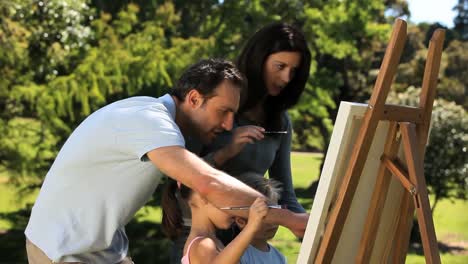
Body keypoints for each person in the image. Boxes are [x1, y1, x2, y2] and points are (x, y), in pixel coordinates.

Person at [24, 58, 308, 263]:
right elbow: (207, 183)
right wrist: (289, 219)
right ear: (194, 99)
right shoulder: (150, 121)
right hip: (63, 249)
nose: (229, 124)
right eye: (223, 111)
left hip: (102, 250)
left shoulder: (157, 122)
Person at [169, 23, 311, 263]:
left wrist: (313, 228)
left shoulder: (281, 121)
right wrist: (227, 150)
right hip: (201, 234)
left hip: (250, 233)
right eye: (280, 66)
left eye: (294, 71)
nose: (287, 78)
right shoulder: (215, 106)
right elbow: (182, 178)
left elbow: (285, 193)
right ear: (259, 60)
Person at [162, 179, 269, 264]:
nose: (236, 210)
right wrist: (251, 227)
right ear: (203, 196)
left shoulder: (212, 241)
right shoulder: (203, 245)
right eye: (229, 201)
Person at [233, 173, 287, 264]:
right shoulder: (237, 256)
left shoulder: (280, 257)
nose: (272, 222)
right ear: (241, 221)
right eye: (264, 215)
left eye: (275, 213)